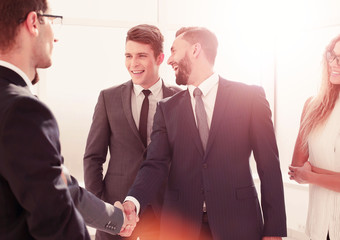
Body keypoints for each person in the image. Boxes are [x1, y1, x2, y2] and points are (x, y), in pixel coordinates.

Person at [123, 27, 287, 240]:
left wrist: (274, 230)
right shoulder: (167, 109)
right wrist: (133, 201)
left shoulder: (249, 98)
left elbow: (269, 166)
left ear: (195, 50)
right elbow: (154, 164)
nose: (169, 59)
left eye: (174, 51)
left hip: (238, 222)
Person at [0, 0, 130, 239]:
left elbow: (61, 186)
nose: (56, 38)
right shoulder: (23, 110)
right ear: (33, 22)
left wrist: (117, 219)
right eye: (52, 22)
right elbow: (55, 219)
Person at [83, 24, 181, 240]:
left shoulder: (180, 99)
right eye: (128, 55)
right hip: (116, 212)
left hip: (164, 213)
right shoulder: (109, 98)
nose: (133, 63)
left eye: (141, 56)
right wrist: (101, 206)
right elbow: (93, 158)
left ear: (160, 58)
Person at [289, 34, 340, 240]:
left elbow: (304, 174)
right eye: (332, 56)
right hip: (319, 227)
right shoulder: (312, 105)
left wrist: (312, 175)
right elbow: (296, 168)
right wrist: (332, 177)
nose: (334, 64)